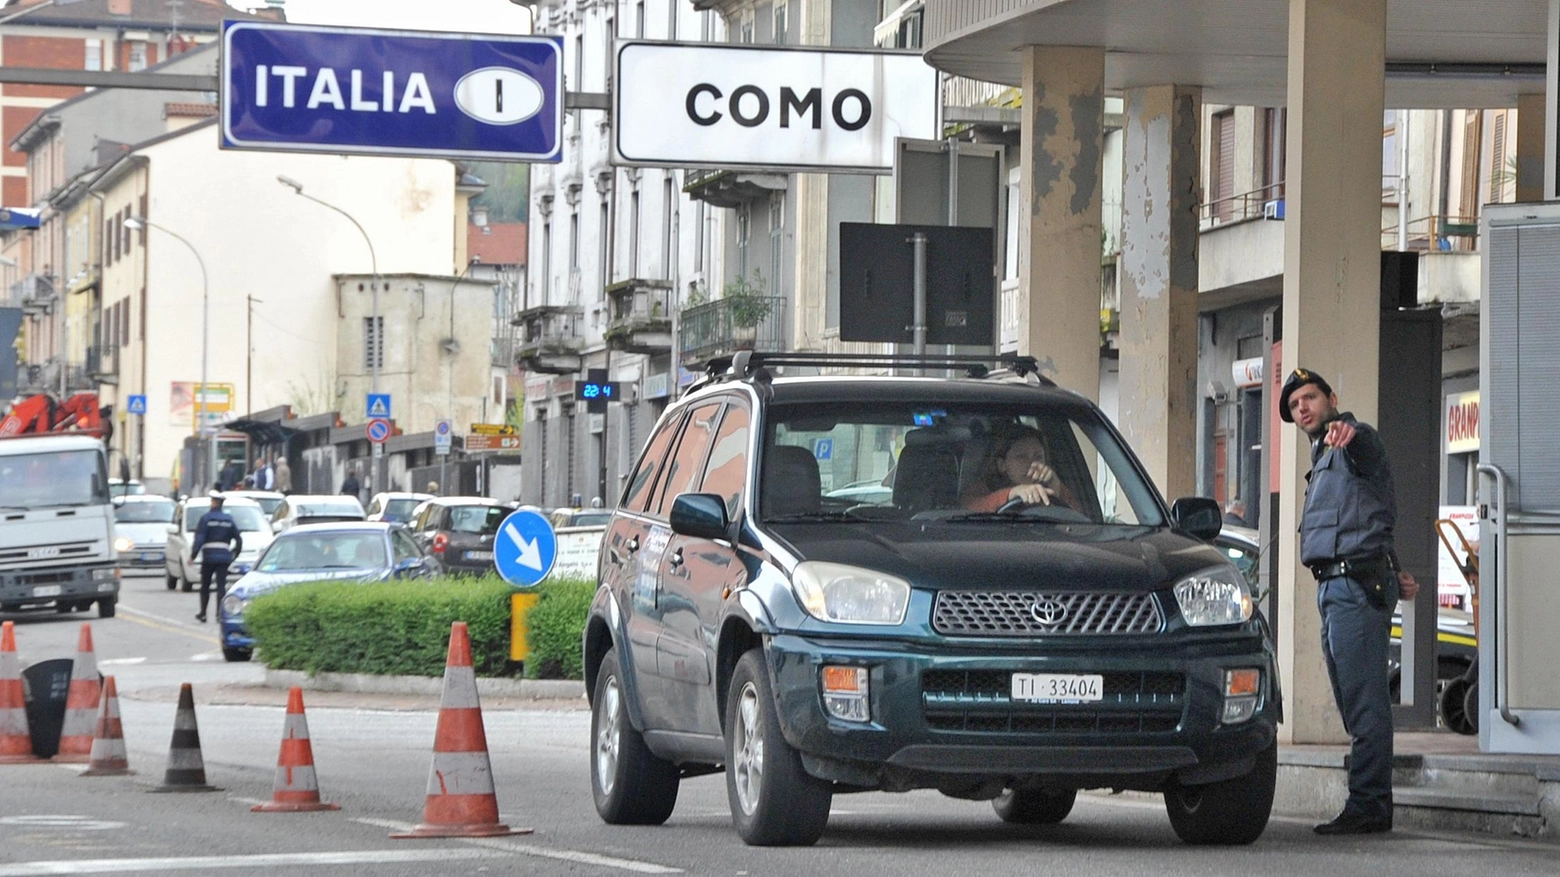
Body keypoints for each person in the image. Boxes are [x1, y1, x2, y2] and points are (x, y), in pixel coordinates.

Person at [1281, 367, 1419, 836]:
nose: (1303, 407)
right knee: (1353, 699)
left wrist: (1350, 431)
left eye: (1311, 397)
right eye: (1296, 403)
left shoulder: (1355, 443)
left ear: (1331, 399)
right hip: (1335, 586)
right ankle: (1368, 800)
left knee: (1365, 704)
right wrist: (1395, 565)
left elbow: (1363, 447)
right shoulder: (1322, 460)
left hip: (1353, 587)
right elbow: (1369, 513)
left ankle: (1370, 804)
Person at [961, 425, 1082, 513]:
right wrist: (1012, 493)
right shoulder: (984, 487)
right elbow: (968, 507)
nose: (1032, 463)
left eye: (1038, 457)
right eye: (1021, 457)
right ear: (1002, 465)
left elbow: (1081, 521)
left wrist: (1056, 487)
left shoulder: (1050, 486)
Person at [190, 491, 243, 623]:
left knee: (205, 586)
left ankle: (203, 613)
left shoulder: (206, 519)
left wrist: (193, 555)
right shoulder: (228, 519)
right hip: (224, 558)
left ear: (214, 503)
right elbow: (238, 539)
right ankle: (220, 615)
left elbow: (199, 538)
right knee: (221, 586)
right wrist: (234, 554)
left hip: (208, 557)